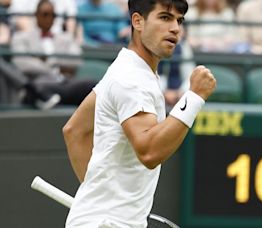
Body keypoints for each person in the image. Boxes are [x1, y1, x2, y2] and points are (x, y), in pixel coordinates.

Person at [63, 0, 216, 227]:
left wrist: (100, 197)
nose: (175, 28)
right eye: (165, 17)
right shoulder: (132, 79)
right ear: (137, 21)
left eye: (179, 20)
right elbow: (149, 152)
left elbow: (73, 130)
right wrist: (193, 98)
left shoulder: (124, 68)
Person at [11, 0, 96, 106]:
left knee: (90, 85)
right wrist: (51, 67)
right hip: (40, 82)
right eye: (45, 14)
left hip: (64, 82)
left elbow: (77, 59)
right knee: (35, 88)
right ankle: (45, 98)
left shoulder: (65, 38)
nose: (49, 18)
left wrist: (50, 61)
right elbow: (22, 62)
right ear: (36, 16)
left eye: (53, 15)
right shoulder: (21, 37)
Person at [8, 0, 77, 35]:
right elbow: (19, 19)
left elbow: (71, 18)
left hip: (58, 40)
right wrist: (37, 41)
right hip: (29, 41)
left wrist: (68, 40)